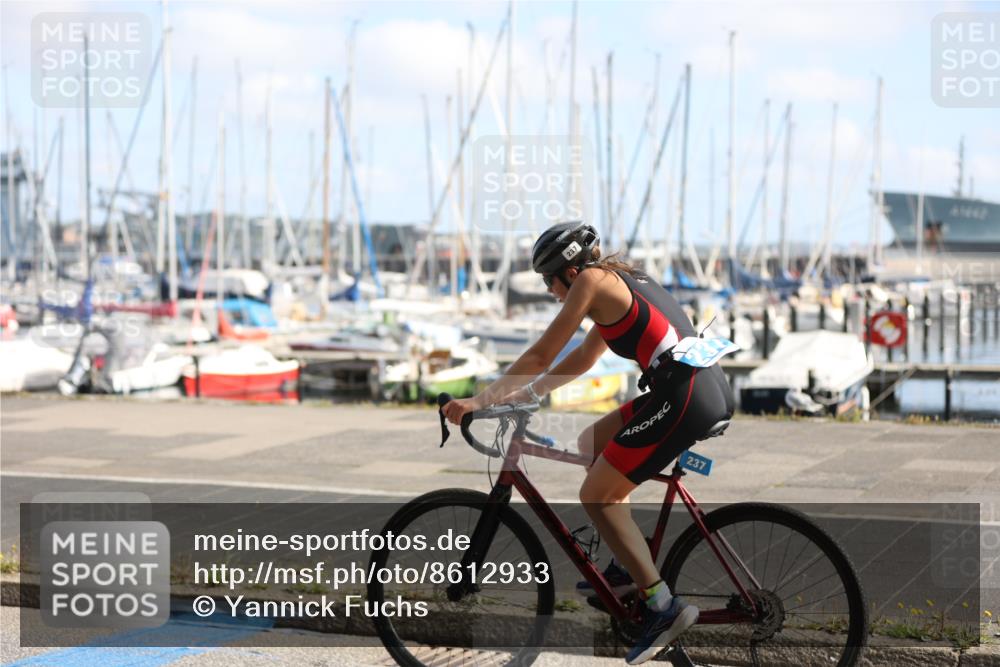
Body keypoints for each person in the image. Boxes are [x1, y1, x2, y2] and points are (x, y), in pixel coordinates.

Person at [442, 221, 734, 664]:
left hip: (684, 397)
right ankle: (626, 567)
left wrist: (480, 400)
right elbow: (583, 356)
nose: (549, 291)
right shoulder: (617, 280)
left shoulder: (593, 283)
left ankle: (662, 606)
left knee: (595, 494)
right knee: (591, 442)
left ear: (570, 272)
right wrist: (530, 394)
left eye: (549, 281)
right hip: (689, 389)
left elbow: (543, 353)